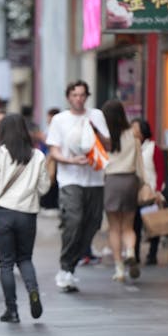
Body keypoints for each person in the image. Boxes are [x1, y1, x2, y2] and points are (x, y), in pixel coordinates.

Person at [0, 114, 50, 322]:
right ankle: (33, 291)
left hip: (3, 213)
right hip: (27, 214)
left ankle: (11, 310)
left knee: (5, 263)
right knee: (25, 259)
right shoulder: (37, 156)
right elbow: (44, 187)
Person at [46, 80, 110, 292]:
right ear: (68, 97)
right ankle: (65, 267)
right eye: (75, 95)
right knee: (74, 220)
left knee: (93, 223)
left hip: (95, 178)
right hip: (70, 179)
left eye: (82, 95)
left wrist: (95, 130)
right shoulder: (59, 120)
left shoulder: (97, 115)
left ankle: (71, 268)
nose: (79, 99)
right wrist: (70, 161)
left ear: (87, 96)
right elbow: (54, 150)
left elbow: (108, 144)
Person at [101, 100, 144, 282]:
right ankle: (131, 251)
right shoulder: (133, 136)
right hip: (130, 180)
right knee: (128, 226)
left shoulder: (103, 138)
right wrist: (143, 183)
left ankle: (119, 269)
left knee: (114, 228)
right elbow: (139, 164)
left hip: (111, 181)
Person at [131, 118, 165, 266]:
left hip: (150, 193)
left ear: (142, 132)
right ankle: (135, 254)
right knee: (134, 225)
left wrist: (158, 191)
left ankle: (152, 254)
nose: (132, 131)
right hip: (134, 192)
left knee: (153, 225)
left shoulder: (153, 148)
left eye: (135, 129)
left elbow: (160, 171)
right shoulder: (131, 148)